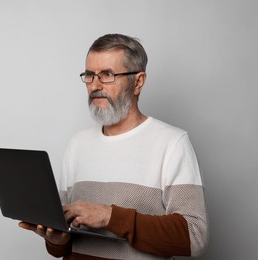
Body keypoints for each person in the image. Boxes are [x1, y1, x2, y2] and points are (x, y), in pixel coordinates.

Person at [19, 33, 209, 260]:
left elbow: (195, 237)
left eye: (107, 74)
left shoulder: (172, 143)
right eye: (89, 75)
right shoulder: (77, 145)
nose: (95, 85)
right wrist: (57, 240)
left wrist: (110, 217)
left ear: (138, 82)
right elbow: (63, 245)